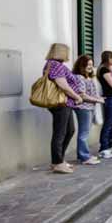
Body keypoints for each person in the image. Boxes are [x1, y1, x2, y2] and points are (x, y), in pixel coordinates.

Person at [42, 43, 84, 174]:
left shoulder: (53, 64)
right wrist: (77, 96)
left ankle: (59, 159)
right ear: (62, 52)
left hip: (66, 104)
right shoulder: (56, 65)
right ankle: (57, 162)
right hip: (62, 104)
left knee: (69, 130)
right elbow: (63, 85)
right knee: (60, 133)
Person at [71, 55, 105, 165]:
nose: (91, 67)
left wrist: (98, 98)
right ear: (82, 65)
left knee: (85, 132)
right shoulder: (79, 77)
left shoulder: (88, 77)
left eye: (91, 64)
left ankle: (83, 155)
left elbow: (90, 93)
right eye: (88, 64)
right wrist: (97, 100)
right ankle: (84, 157)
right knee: (84, 133)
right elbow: (82, 95)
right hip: (83, 108)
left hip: (89, 107)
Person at [97, 51, 112, 159]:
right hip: (110, 98)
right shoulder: (104, 70)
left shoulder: (110, 70)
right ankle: (103, 148)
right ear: (108, 59)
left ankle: (111, 144)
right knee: (109, 123)